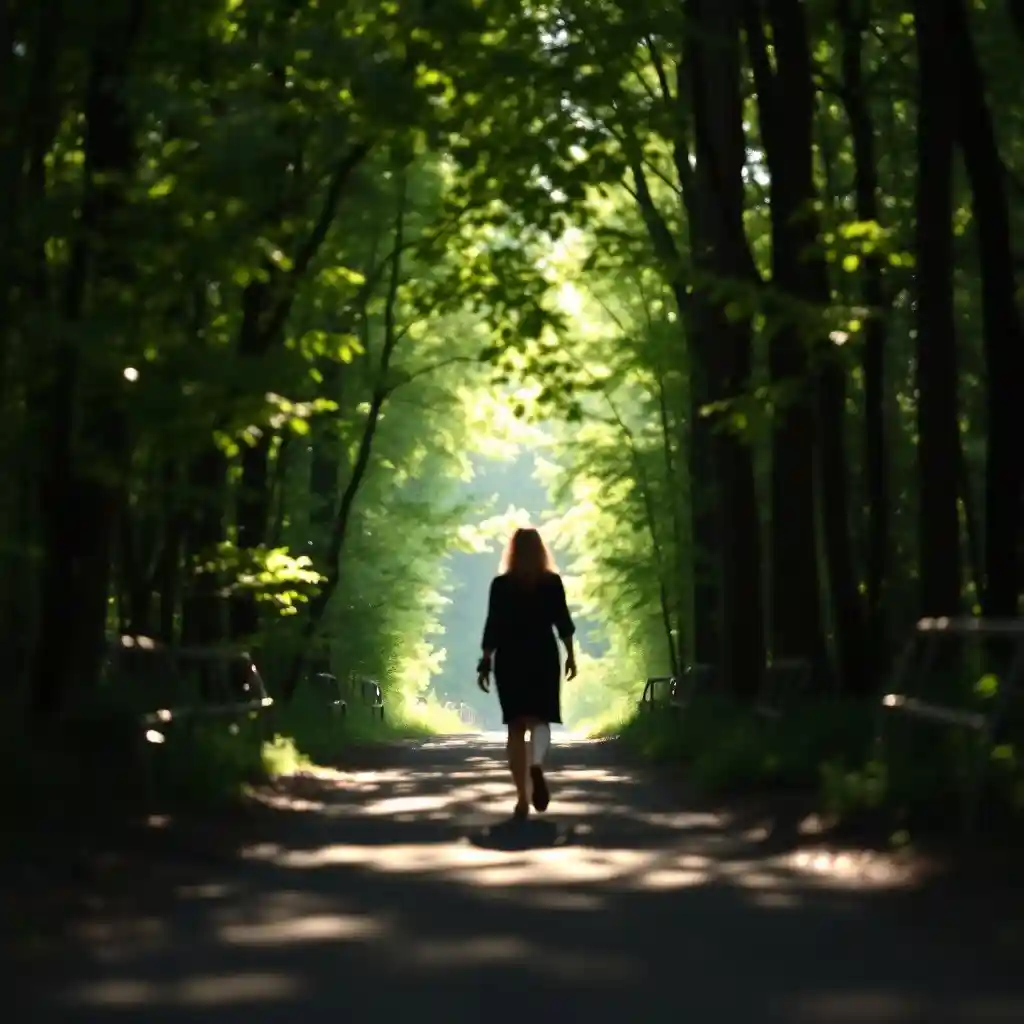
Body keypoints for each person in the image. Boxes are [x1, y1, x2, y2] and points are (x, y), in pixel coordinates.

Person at [477, 527, 577, 819]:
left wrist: (485, 661)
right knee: (541, 720)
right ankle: (536, 765)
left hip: (510, 658)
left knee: (516, 727)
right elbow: (564, 623)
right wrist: (571, 656)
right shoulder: (552, 582)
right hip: (543, 656)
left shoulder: (500, 585)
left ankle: (522, 798)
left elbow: (492, 625)